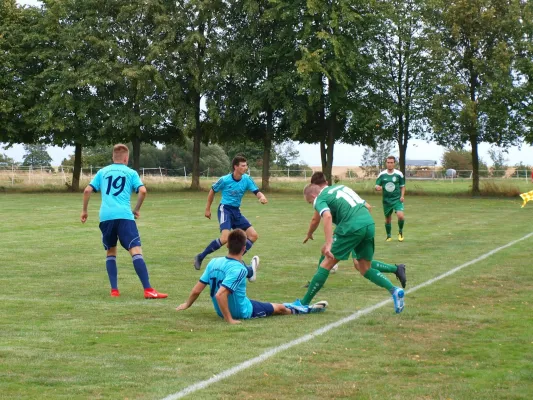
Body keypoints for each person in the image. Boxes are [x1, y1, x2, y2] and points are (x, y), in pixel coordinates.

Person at [289, 181, 405, 314]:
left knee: (326, 263)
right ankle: (395, 291)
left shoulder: (320, 198)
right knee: (364, 268)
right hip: (368, 223)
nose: (313, 205)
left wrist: (329, 243)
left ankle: (303, 304)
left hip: (351, 227)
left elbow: (326, 216)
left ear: (314, 195)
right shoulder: (342, 187)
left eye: (310, 202)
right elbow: (367, 206)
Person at [177, 229, 328, 324]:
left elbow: (197, 290)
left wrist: (186, 304)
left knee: (270, 304)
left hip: (223, 309)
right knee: (279, 309)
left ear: (227, 245)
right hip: (243, 311)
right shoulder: (239, 270)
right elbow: (220, 295)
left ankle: (295, 304)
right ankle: (306, 309)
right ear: (244, 248)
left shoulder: (213, 262)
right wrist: (229, 320)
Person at [80, 144, 167, 299]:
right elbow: (143, 191)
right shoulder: (131, 173)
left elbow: (87, 190)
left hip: (106, 217)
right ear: (126, 158)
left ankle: (114, 290)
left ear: (113, 157)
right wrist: (137, 209)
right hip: (125, 216)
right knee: (135, 250)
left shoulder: (102, 172)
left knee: (111, 251)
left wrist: (85, 211)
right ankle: (148, 290)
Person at [304, 172, 407, 289]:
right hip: (357, 226)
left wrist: (309, 233)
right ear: (326, 182)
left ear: (314, 187)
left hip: (352, 230)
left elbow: (315, 220)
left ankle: (396, 270)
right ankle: (397, 269)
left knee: (359, 264)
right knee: (333, 253)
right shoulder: (339, 190)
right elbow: (367, 206)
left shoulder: (322, 198)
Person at [193, 155, 268, 270]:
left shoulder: (247, 179)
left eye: (246, 165)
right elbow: (212, 191)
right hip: (225, 209)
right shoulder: (225, 180)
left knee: (253, 236)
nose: (245, 167)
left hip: (236, 212)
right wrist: (207, 209)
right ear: (235, 167)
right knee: (224, 238)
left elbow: (257, 192)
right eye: (243, 166)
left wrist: (261, 197)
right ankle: (200, 256)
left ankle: (234, 260)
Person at [375, 156, 406, 242]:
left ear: (394, 163)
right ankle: (388, 236)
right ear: (386, 163)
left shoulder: (399, 174)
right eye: (388, 162)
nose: (390, 164)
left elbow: (402, 186)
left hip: (397, 199)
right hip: (386, 201)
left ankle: (400, 232)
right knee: (388, 219)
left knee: (400, 216)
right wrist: (377, 187)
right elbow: (377, 185)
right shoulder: (382, 174)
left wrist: (402, 196)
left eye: (391, 162)